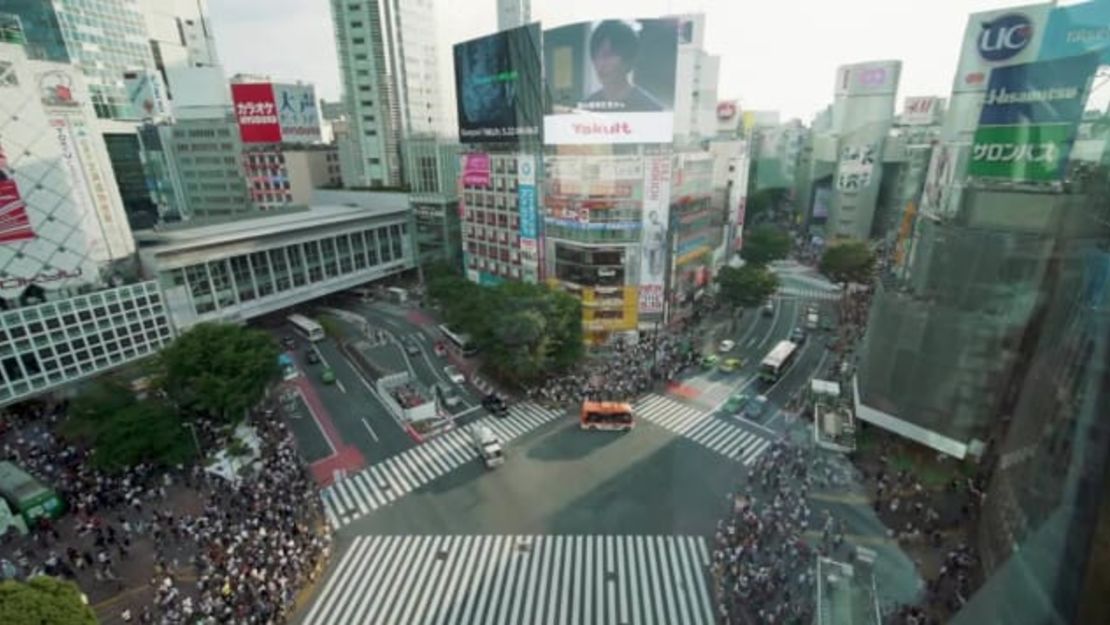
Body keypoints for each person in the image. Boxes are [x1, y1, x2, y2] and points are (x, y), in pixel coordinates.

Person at [583, 20, 663, 112]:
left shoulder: (650, 109)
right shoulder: (587, 107)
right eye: (596, 56)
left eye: (608, 55)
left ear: (628, 58)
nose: (601, 63)